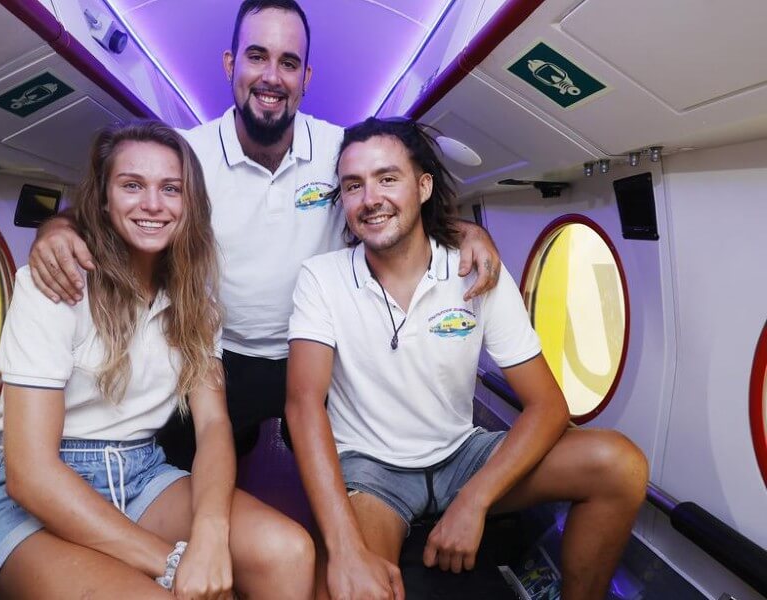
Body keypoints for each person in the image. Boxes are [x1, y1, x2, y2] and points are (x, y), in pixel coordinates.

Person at [28, 0, 504, 468]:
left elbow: (395, 208)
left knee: (352, 473)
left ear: (306, 79)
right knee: (185, 464)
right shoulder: (187, 156)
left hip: (325, 351)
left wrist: (462, 231)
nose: (272, 76)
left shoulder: (341, 152)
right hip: (221, 353)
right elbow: (110, 212)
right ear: (231, 64)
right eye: (257, 56)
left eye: (289, 63)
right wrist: (56, 227)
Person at [285, 117, 649, 600]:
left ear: (423, 186)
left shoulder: (475, 270)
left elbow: (548, 406)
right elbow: (303, 405)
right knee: (348, 589)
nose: (370, 199)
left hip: (462, 456)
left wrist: (474, 502)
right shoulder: (321, 278)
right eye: (354, 186)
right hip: (371, 470)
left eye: (387, 178)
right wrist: (346, 549)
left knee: (620, 466)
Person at [0, 120, 314, 600]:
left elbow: (213, 427)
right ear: (104, 199)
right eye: (132, 185)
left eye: (171, 189)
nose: (153, 204)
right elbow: (31, 476)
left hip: (143, 474)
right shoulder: (54, 285)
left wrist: (211, 535)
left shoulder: (197, 304)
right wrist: (173, 564)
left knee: (289, 551)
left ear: (189, 204)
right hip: (44, 492)